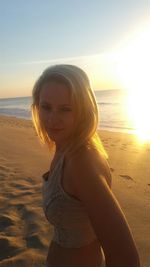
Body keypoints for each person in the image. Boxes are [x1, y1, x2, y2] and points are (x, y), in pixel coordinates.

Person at [31, 64, 140, 267]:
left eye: (65, 109)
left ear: (83, 110)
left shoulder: (81, 163)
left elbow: (126, 258)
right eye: (46, 107)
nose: (52, 119)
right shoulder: (65, 147)